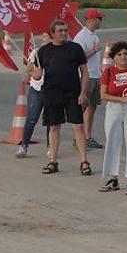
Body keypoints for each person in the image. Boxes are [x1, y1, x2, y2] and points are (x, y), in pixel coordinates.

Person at [28, 20, 90, 176]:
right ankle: (53, 161)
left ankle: (84, 162)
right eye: (60, 31)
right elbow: (38, 76)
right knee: (54, 127)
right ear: (52, 34)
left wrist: (83, 93)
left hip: (73, 93)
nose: (64, 33)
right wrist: (30, 70)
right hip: (52, 93)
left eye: (65, 30)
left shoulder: (75, 49)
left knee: (78, 126)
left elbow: (85, 72)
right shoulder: (42, 51)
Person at [97, 41, 127, 196]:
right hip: (114, 108)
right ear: (114, 57)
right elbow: (103, 95)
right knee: (113, 141)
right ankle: (113, 178)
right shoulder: (109, 73)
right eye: (119, 54)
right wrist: (121, 100)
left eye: (125, 54)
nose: (123, 57)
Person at [73, 8, 106, 149]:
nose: (100, 22)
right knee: (82, 107)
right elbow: (78, 58)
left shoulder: (95, 36)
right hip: (85, 77)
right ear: (92, 19)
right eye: (99, 19)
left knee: (92, 108)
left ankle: (88, 136)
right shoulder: (81, 37)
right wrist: (94, 50)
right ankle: (78, 138)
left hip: (95, 75)